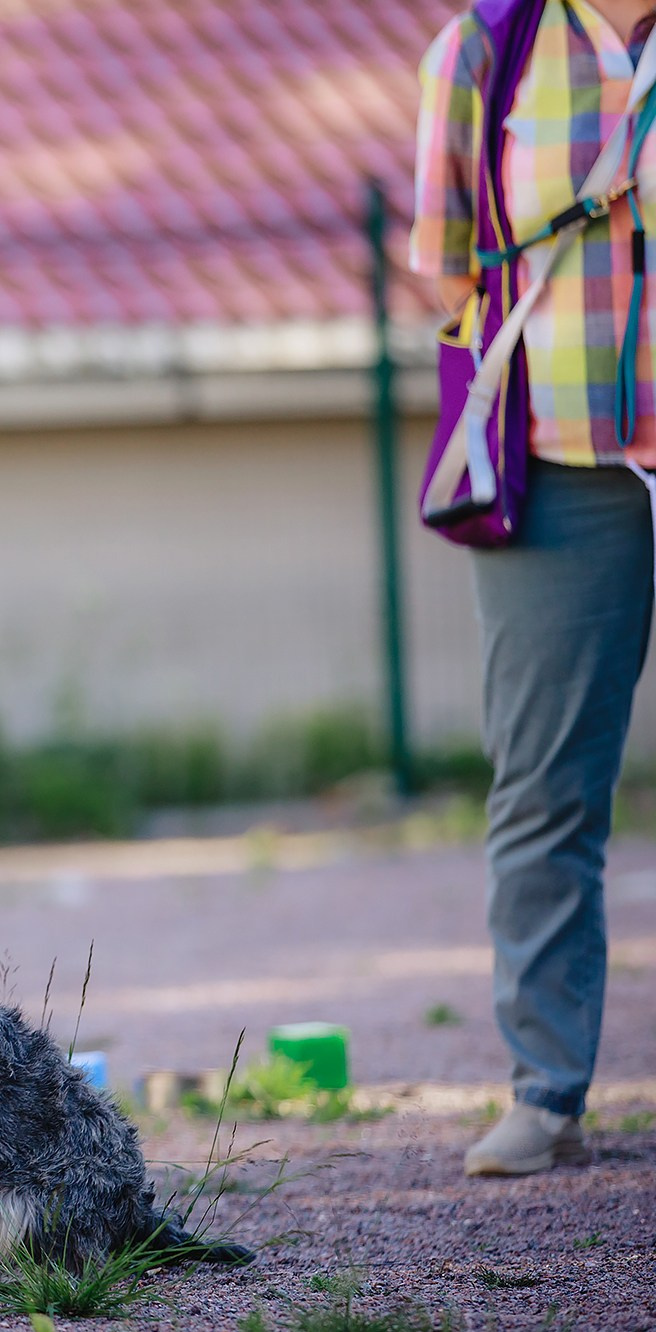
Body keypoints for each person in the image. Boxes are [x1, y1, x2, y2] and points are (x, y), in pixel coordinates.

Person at [411, 0, 656, 1177]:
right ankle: (546, 1092)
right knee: (543, 788)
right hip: (556, 455)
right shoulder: (483, 49)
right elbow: (441, 262)